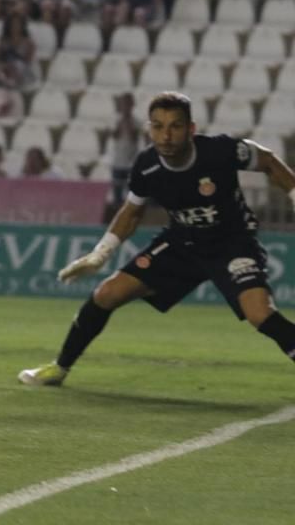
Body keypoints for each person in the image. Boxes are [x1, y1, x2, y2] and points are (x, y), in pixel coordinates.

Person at [20, 92, 295, 387]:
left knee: (259, 313)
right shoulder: (146, 165)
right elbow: (131, 212)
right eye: (158, 126)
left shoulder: (221, 151)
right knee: (106, 294)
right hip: (182, 243)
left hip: (232, 242)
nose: (166, 135)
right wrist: (100, 254)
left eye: (175, 126)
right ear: (149, 129)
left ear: (190, 128)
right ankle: (59, 368)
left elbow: (267, 160)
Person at [105, 92, 139, 221]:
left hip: (130, 163)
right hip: (117, 162)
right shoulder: (115, 120)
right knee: (117, 195)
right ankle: (116, 220)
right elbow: (115, 135)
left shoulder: (136, 122)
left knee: (131, 195)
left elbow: (133, 137)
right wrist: (122, 120)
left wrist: (127, 120)